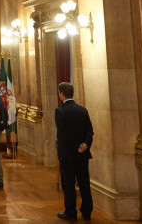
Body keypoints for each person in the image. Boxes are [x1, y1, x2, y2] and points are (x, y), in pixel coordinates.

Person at [55, 82, 93, 221]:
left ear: (61, 94)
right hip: (83, 154)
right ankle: (87, 211)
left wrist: (75, 147)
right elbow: (90, 131)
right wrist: (84, 145)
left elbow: (63, 135)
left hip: (68, 155)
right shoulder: (83, 110)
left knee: (69, 184)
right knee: (84, 183)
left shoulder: (60, 111)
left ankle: (70, 213)